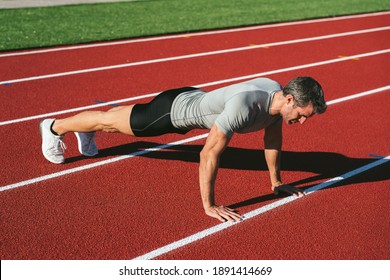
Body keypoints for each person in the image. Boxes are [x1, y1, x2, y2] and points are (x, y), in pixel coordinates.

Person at [39, 76, 327, 222]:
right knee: (110, 123)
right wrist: (210, 206)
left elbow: (272, 141)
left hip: (192, 99)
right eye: (302, 114)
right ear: (289, 99)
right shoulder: (245, 106)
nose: (301, 122)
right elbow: (208, 154)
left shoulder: (276, 101)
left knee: (113, 121)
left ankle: (84, 131)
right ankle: (54, 127)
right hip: (172, 112)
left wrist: (277, 183)